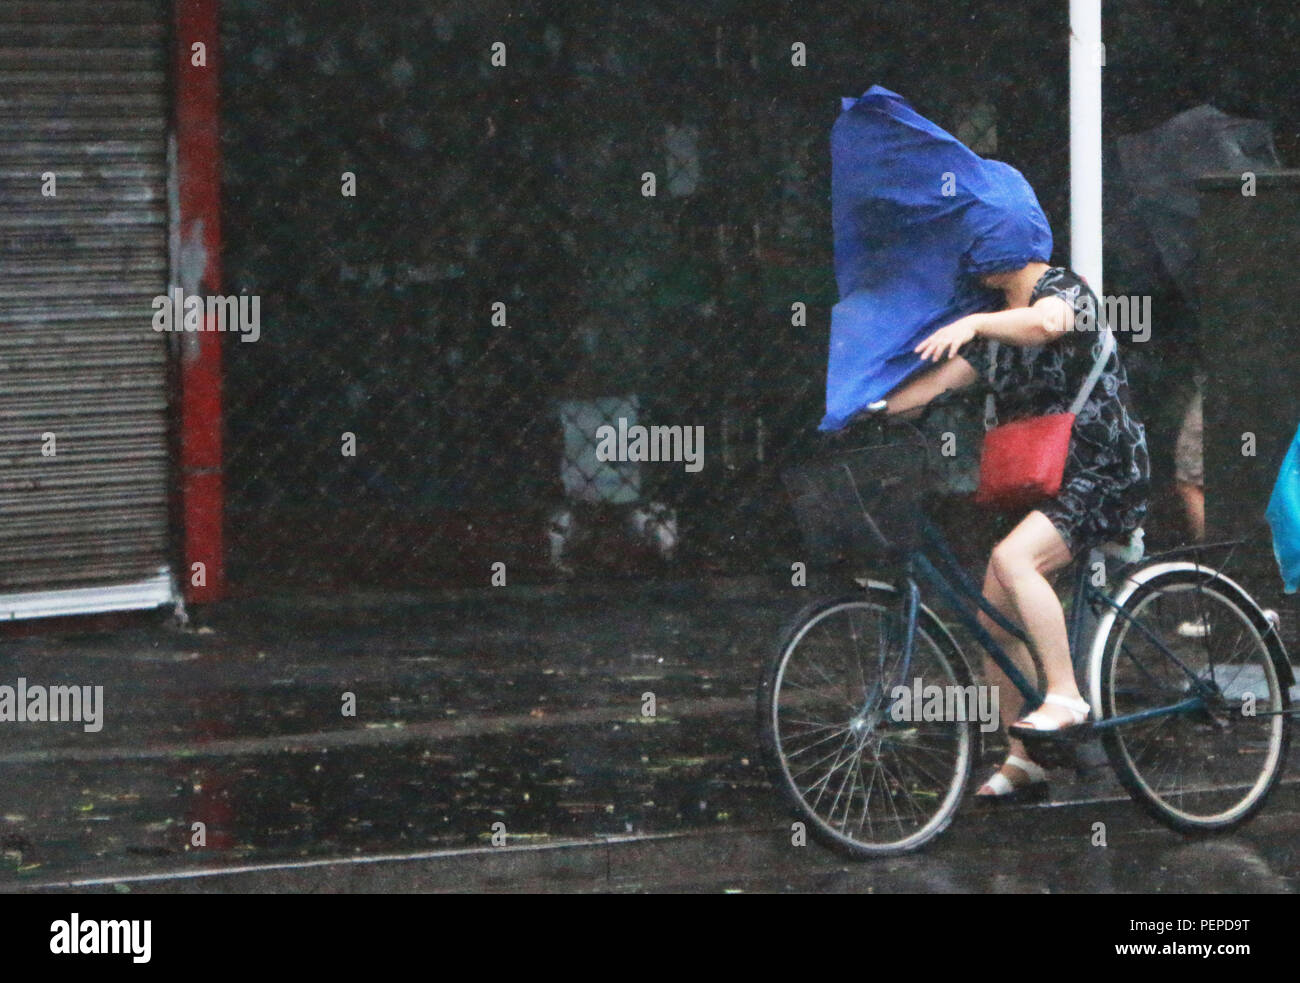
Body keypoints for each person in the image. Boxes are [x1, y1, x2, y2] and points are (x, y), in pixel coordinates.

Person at [880, 261, 1151, 799]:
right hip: (1046, 481)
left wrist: (977, 325)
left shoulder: (1060, 288)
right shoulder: (995, 323)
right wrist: (868, 410)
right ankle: (1025, 759)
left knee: (1015, 560)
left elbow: (1049, 323)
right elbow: (940, 381)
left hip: (1100, 468)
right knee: (995, 622)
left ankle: (1066, 696)